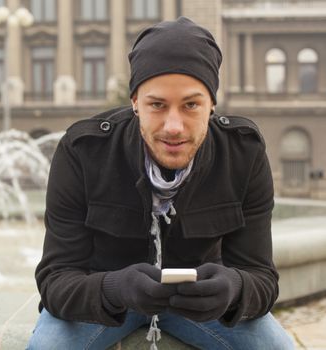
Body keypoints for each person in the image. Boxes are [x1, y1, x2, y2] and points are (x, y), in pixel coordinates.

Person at [27, 17, 294, 350]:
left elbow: (262, 279)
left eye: (191, 105)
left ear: (212, 104)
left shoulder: (244, 154)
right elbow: (55, 281)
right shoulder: (83, 152)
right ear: (135, 101)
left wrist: (234, 288)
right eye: (157, 105)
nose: (174, 126)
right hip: (103, 305)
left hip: (201, 309)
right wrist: (115, 288)